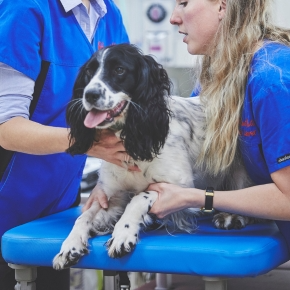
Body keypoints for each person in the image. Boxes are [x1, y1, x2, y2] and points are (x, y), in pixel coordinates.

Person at [85, 0, 290, 254]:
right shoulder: (218, 76)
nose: (173, 18)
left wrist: (198, 197)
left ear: (222, 7)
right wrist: (109, 185)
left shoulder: (273, 80)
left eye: (184, 3)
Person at [0, 0, 132, 289]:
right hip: (8, 205)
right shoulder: (26, 9)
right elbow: (7, 128)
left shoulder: (109, 15)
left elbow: (121, 108)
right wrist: (86, 144)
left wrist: (107, 181)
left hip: (57, 209)